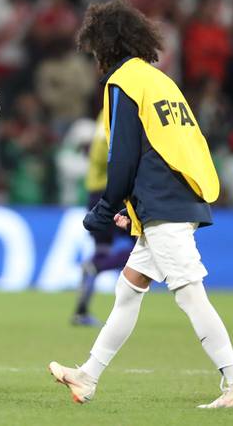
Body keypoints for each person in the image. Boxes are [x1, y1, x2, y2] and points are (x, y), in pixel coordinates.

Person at [48, 0, 233, 409]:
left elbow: (122, 153)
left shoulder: (123, 82)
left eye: (94, 49)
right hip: (176, 193)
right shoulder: (159, 80)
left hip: (165, 205)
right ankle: (87, 375)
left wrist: (107, 207)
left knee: (190, 293)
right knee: (129, 287)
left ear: (106, 44)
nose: (94, 58)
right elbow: (166, 146)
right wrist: (135, 205)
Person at [71, 108, 131, 327]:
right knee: (146, 246)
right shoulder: (118, 114)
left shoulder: (104, 113)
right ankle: (100, 266)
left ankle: (80, 311)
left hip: (95, 191)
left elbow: (95, 151)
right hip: (111, 194)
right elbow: (107, 152)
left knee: (101, 251)